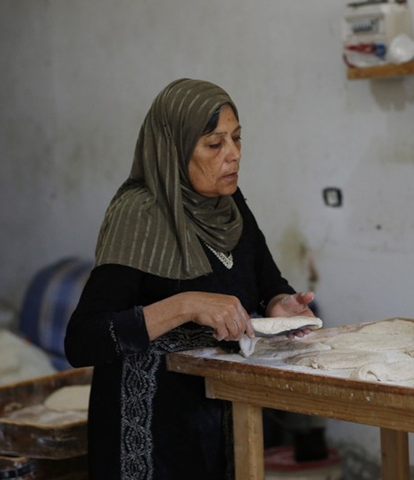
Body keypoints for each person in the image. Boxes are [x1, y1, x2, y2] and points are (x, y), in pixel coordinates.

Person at [65, 78, 316, 480]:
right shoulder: (139, 216)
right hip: (149, 438)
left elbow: (268, 282)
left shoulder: (230, 205)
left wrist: (280, 305)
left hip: (220, 422)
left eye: (237, 139)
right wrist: (186, 305)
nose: (233, 155)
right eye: (214, 145)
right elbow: (83, 339)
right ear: (175, 149)